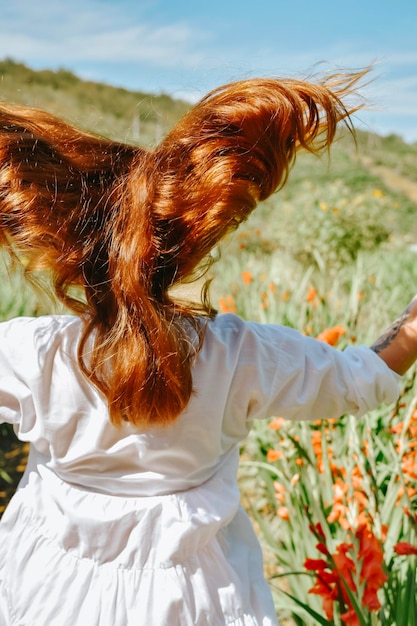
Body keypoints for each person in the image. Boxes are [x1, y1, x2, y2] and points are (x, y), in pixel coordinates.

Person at [0, 69, 416, 626]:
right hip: (197, 601)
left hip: (45, 590)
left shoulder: (32, 353)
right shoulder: (240, 354)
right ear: (194, 239)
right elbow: (360, 380)